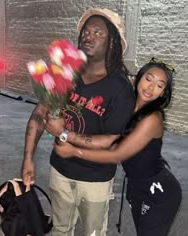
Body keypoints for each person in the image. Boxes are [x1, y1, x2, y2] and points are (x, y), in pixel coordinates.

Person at [21, 7, 135, 236]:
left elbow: (111, 141)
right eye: (85, 31)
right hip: (60, 172)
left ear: (112, 42)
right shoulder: (65, 73)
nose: (87, 36)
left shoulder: (120, 88)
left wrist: (64, 135)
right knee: (60, 230)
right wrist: (28, 159)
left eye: (97, 32)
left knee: (93, 233)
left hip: (95, 181)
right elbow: (38, 115)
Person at [53, 58, 182, 236]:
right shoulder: (128, 105)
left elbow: (117, 154)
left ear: (163, 93)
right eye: (148, 79)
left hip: (158, 190)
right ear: (139, 78)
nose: (151, 88)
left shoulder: (152, 118)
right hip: (136, 186)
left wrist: (75, 150)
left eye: (160, 86)